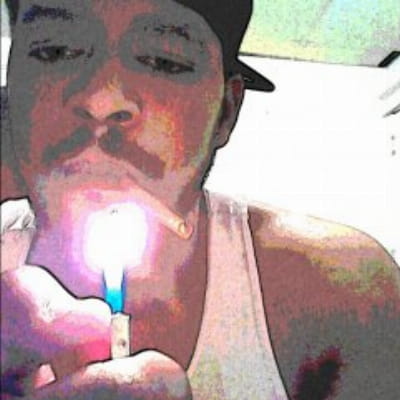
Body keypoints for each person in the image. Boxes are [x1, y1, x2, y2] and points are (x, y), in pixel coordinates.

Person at [1, 0, 399, 399]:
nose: (100, 98)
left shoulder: (340, 293)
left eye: (164, 62)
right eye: (54, 51)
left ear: (226, 112)